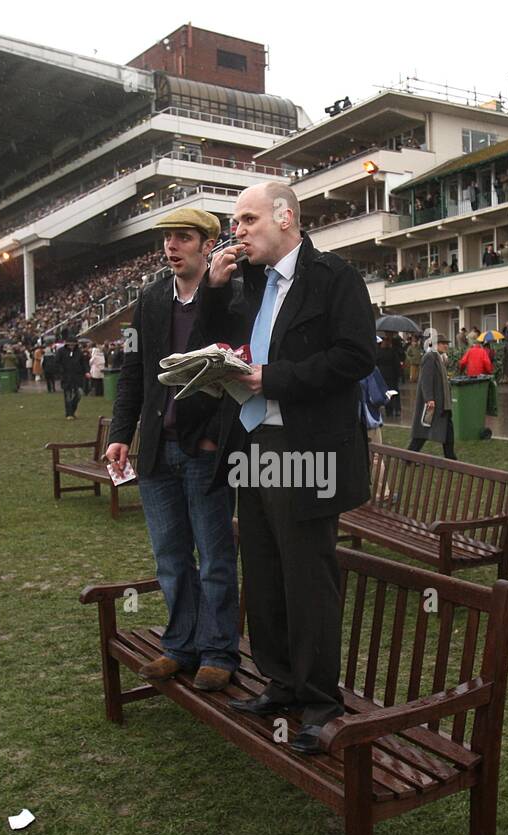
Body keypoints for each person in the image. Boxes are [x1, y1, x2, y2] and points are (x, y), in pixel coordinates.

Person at [201, 181, 375, 756]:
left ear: (285, 216)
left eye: (247, 219)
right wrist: (213, 293)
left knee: (307, 576)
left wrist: (270, 379)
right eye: (236, 221)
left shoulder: (335, 277)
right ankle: (280, 682)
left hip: (306, 447)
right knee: (266, 567)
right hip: (253, 442)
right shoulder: (246, 282)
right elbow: (221, 344)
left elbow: (355, 357)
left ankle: (320, 700)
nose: (238, 231)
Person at [105, 207, 241, 693]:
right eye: (167, 238)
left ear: (209, 244)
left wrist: (210, 435)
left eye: (183, 237)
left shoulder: (229, 293)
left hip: (203, 449)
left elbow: (232, 367)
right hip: (157, 451)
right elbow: (133, 372)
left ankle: (219, 650)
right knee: (170, 555)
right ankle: (181, 645)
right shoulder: (150, 300)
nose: (171, 246)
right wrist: (121, 433)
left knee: (215, 555)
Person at [408, 329, 456, 458]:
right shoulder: (429, 357)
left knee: (447, 430)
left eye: (446, 343)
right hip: (434, 403)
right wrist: (429, 399)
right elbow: (426, 380)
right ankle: (409, 456)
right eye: (443, 343)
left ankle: (451, 457)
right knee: (422, 433)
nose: (446, 345)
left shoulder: (439, 357)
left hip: (442, 403)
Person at [58, 339, 87, 419]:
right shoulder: (61, 352)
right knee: (68, 396)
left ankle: (72, 410)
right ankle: (69, 413)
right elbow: (57, 362)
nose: (72, 346)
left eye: (73, 345)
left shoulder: (79, 352)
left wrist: (86, 371)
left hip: (77, 377)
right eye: (70, 345)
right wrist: (61, 371)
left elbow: (83, 363)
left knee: (79, 394)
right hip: (66, 377)